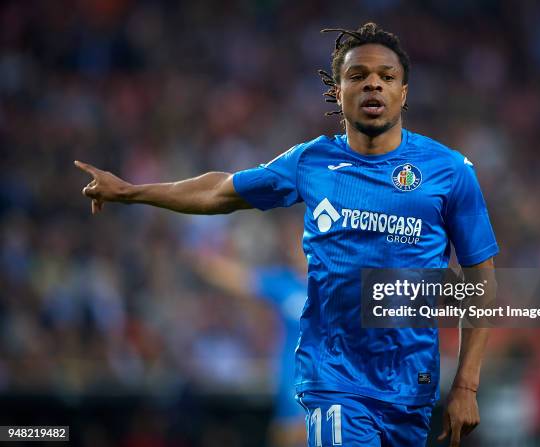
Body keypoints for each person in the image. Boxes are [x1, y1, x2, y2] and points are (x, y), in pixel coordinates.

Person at [76, 22, 498, 447]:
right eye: (358, 76)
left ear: (403, 92)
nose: (373, 84)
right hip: (335, 382)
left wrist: (465, 385)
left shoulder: (449, 172)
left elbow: (481, 280)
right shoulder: (312, 162)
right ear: (337, 91)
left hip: (412, 388)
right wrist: (132, 192)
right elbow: (222, 189)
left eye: (387, 77)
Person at [191, 215, 307, 447]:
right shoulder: (283, 283)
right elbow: (242, 279)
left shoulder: (331, 285)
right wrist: (205, 263)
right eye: (292, 245)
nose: (296, 251)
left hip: (327, 378)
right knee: (289, 435)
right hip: (293, 378)